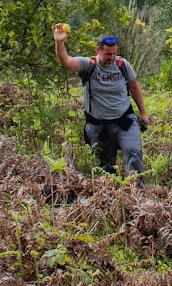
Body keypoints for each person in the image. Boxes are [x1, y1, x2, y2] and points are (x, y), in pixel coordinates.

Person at [53, 25, 151, 183]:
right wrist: (59, 42)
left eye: (114, 53)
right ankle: (110, 196)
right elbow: (66, 61)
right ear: (97, 50)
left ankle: (138, 193)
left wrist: (143, 113)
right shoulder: (88, 65)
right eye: (107, 54)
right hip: (99, 127)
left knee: (134, 152)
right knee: (106, 166)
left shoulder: (122, 65)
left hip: (124, 121)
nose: (112, 58)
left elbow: (134, 87)